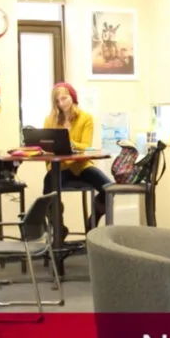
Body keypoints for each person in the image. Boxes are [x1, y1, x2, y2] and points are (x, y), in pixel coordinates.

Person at [43, 83, 112, 236]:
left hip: (81, 166)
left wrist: (69, 143)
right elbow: (46, 146)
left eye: (64, 98)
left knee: (109, 189)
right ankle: (59, 228)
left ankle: (92, 221)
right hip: (60, 167)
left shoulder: (86, 118)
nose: (62, 103)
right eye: (57, 101)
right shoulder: (50, 120)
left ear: (72, 97)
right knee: (48, 188)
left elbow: (86, 145)